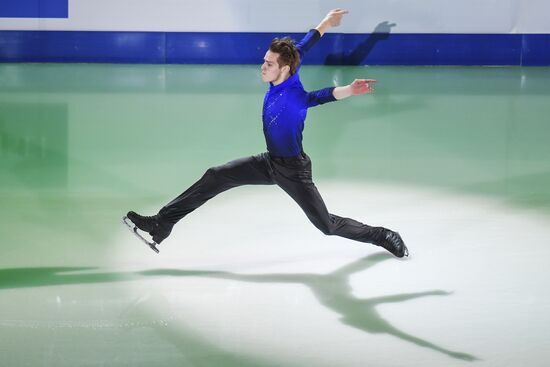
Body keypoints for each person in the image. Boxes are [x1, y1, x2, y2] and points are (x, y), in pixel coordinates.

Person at [125, 9, 408, 258]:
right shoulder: (289, 65)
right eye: (264, 61)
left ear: (283, 68)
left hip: (293, 171)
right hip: (269, 162)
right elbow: (305, 44)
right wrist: (325, 22)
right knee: (216, 175)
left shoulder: (294, 97)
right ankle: (162, 223)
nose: (263, 66)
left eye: (269, 64)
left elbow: (320, 97)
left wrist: (349, 90)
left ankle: (382, 235)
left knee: (327, 225)